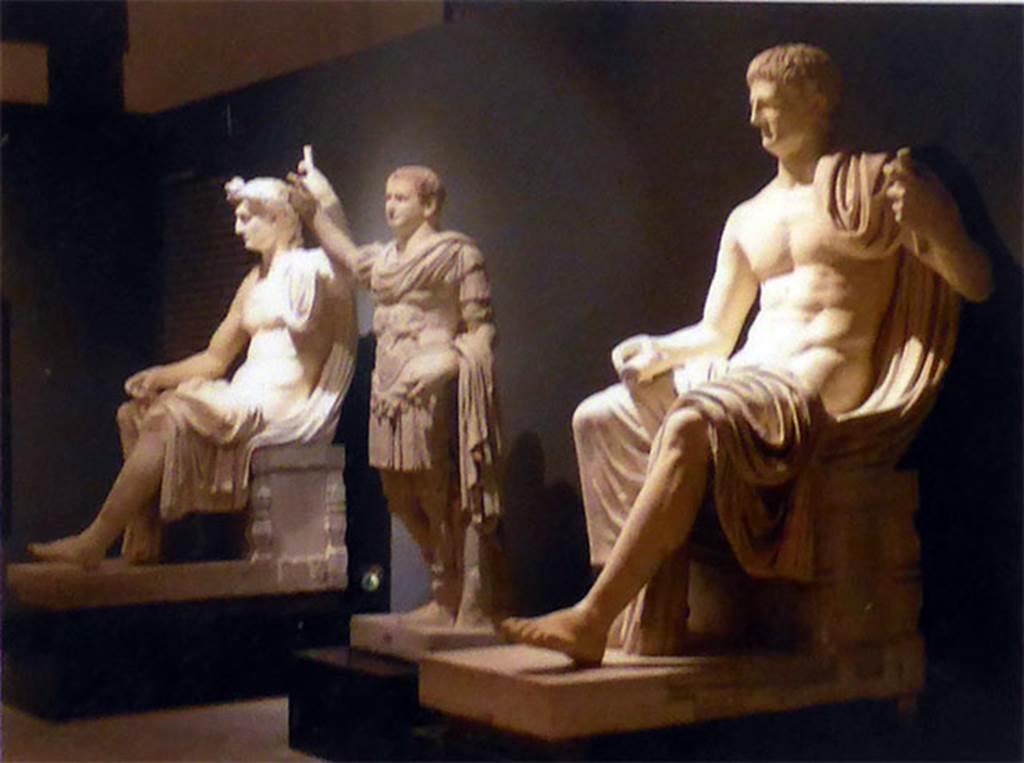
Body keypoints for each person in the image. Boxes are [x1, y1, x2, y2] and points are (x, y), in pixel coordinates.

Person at [501, 43, 992, 666]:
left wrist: (939, 228)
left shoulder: (870, 186)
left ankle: (591, 617)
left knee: (690, 420)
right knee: (599, 416)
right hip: (744, 374)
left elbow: (975, 281)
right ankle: (649, 608)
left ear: (817, 101)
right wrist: (660, 347)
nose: (757, 120)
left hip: (820, 383)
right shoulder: (748, 217)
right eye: (753, 107)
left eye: (769, 105)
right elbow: (715, 331)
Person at [29, 176, 357, 569]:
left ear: (278, 218)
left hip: (277, 407)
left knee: (170, 417)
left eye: (247, 217)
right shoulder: (253, 281)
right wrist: (161, 375)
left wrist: (325, 199)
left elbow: (351, 268)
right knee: (135, 413)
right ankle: (144, 541)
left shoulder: (313, 267)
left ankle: (94, 541)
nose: (238, 228)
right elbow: (216, 358)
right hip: (240, 394)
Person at [290, 157, 502, 628]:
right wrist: (314, 213)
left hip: (427, 384)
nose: (389, 206)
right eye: (386, 197)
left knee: (435, 487)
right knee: (397, 493)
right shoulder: (385, 260)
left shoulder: (458, 255)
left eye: (400, 197)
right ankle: (441, 585)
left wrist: (444, 362)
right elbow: (347, 254)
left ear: (429, 205)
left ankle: (458, 592)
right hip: (387, 385)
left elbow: (482, 331)